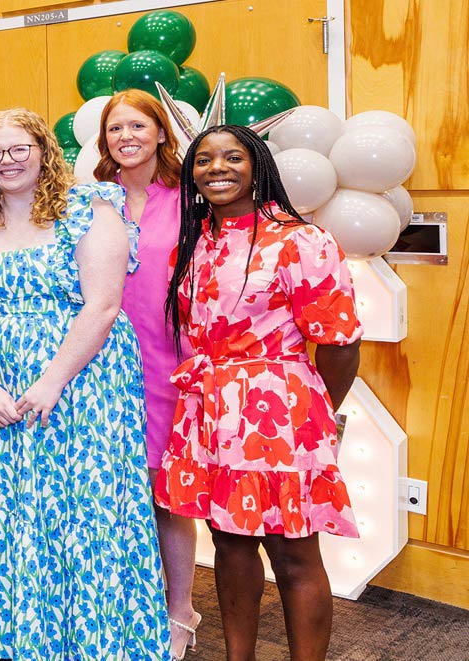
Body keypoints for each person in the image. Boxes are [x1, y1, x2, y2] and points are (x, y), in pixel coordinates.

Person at [0, 108, 168, 658]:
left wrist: (51, 382)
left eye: (20, 148)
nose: (8, 160)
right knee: (20, 508)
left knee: (92, 510)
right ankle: (28, 635)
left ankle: (100, 642)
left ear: (44, 150)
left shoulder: (89, 210)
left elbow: (103, 306)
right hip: (6, 392)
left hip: (87, 384)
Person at [157, 125, 362, 661]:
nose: (216, 168)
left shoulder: (300, 239)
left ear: (259, 166)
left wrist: (310, 413)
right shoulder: (198, 239)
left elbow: (339, 344)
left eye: (232, 157)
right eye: (203, 160)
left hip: (279, 415)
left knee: (294, 553)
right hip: (211, 408)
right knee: (228, 543)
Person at [92, 89, 202, 659]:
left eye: (137, 126)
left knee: (169, 497)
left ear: (161, 132)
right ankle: (122, 602)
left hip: (170, 363)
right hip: (102, 366)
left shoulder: (191, 198)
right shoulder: (91, 200)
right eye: (115, 129)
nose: (126, 137)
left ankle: (179, 608)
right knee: (114, 491)